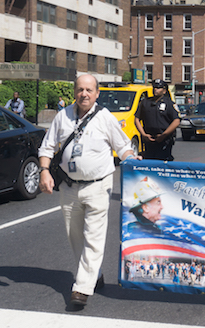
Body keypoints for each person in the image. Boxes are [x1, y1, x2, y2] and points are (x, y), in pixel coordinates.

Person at [38, 74, 141, 308]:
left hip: (98, 185)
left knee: (94, 236)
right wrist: (44, 171)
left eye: (89, 90)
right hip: (69, 186)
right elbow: (47, 146)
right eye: (80, 89)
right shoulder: (62, 117)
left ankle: (82, 288)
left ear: (96, 94)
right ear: (74, 92)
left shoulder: (105, 117)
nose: (84, 94)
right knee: (75, 236)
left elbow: (123, 146)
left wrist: (133, 160)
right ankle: (95, 274)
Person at [134, 79, 180, 161]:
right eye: (154, 87)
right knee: (148, 162)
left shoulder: (169, 104)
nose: (155, 89)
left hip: (164, 139)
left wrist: (164, 135)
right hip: (148, 139)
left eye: (158, 88)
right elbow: (137, 119)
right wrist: (144, 134)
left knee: (162, 163)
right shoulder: (145, 102)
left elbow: (176, 121)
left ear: (164, 91)